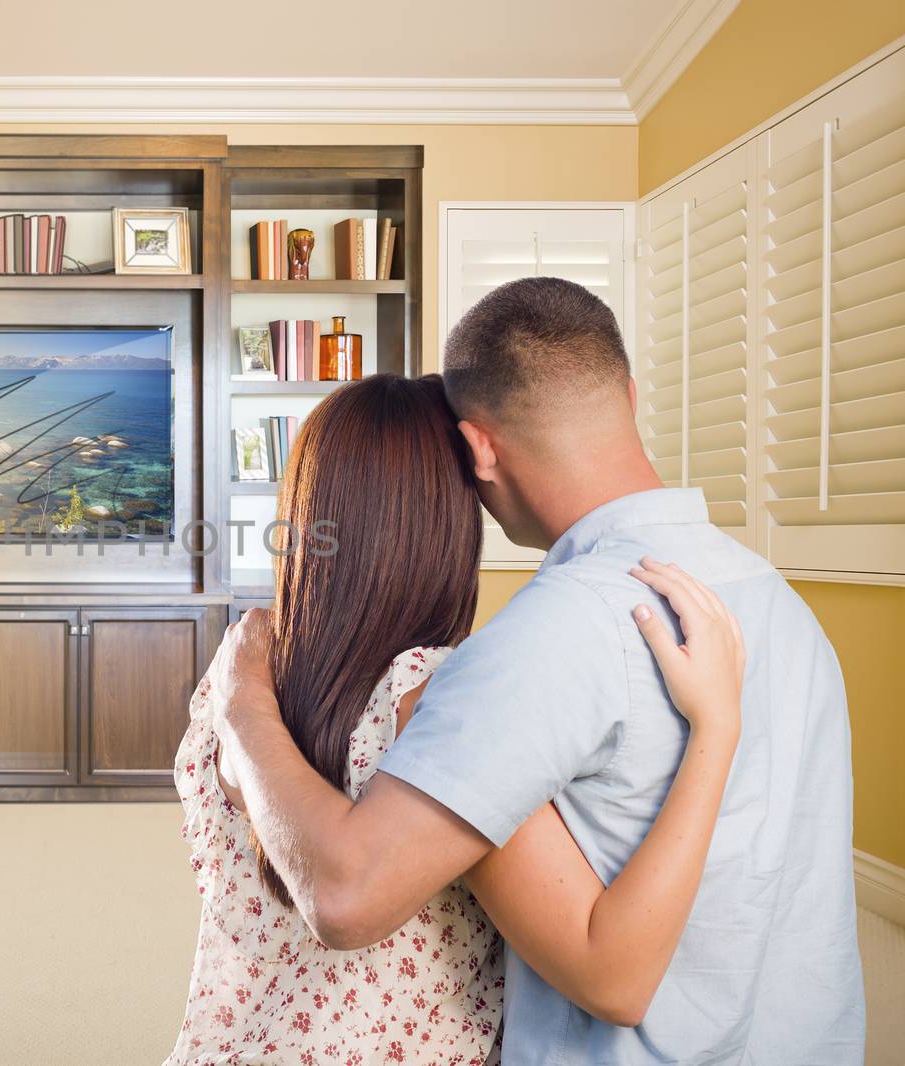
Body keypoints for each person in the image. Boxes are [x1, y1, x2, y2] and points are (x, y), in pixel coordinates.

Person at [205, 277, 864, 1063]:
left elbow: (346, 896)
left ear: (478, 447)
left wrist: (241, 699)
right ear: (625, 390)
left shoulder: (543, 639)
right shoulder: (775, 600)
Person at [168, 374, 746, 1065]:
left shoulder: (237, 673)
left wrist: (242, 704)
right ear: (447, 523)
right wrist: (717, 726)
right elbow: (612, 976)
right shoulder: (437, 702)